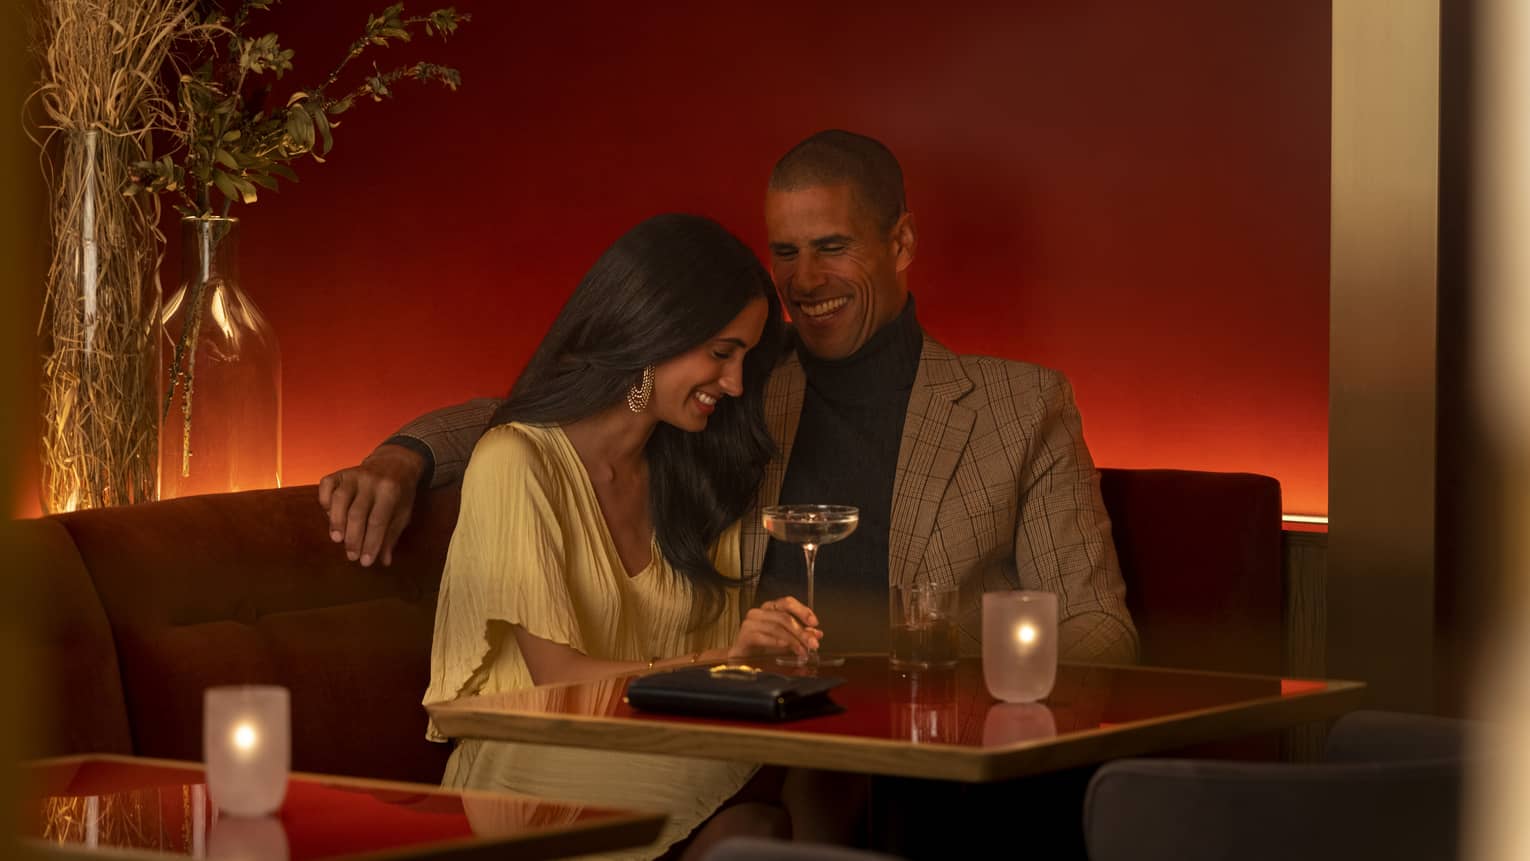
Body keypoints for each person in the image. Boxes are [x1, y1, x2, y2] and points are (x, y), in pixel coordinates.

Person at [320, 129, 1138, 668]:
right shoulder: (735, 380)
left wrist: (1015, 713)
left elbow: (1100, 624)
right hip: (754, 727)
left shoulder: (1022, 406)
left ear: (902, 243)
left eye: (832, 248)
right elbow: (557, 411)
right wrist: (406, 456)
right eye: (785, 251)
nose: (804, 280)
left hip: (933, 743)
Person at [413, 213, 822, 860]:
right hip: (538, 767)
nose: (736, 383)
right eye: (720, 353)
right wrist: (723, 666)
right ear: (651, 331)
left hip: (665, 745)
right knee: (782, 760)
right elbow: (559, 680)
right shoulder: (516, 464)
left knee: (775, 806)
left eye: (745, 356)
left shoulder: (695, 474)